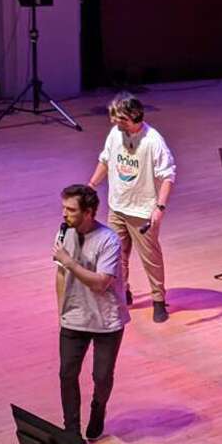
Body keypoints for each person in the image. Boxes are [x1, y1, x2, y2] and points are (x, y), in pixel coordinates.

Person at [87, 92, 176, 323]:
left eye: (118, 119)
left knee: (151, 258)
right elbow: (105, 160)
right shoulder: (115, 134)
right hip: (117, 206)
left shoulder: (153, 141)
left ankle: (158, 300)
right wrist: (91, 185)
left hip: (142, 211)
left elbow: (168, 176)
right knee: (116, 256)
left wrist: (160, 208)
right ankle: (121, 292)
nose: (113, 123)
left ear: (133, 117)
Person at [53, 185, 130, 440]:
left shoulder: (109, 240)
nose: (64, 214)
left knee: (102, 376)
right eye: (64, 208)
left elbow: (100, 283)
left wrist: (69, 261)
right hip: (74, 316)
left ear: (88, 213)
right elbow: (60, 273)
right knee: (67, 374)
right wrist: (61, 310)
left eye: (71, 210)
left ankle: (98, 409)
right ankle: (71, 431)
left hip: (106, 320)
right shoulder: (65, 232)